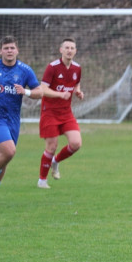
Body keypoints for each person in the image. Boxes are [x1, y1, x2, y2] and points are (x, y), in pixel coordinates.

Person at [0, 36, 53, 207]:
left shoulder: (25, 70)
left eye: (12, 48)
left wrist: (25, 92)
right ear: (0, 51)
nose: (9, 51)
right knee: (9, 151)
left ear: (17, 50)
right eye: (6, 48)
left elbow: (39, 92)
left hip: (13, 120)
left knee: (4, 158)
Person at [37, 38, 84, 188]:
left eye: (72, 48)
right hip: (49, 112)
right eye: (67, 47)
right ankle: (42, 181)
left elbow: (76, 83)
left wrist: (78, 91)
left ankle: (55, 161)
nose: (70, 50)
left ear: (75, 51)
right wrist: (59, 94)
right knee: (52, 146)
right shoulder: (52, 67)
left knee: (76, 143)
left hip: (66, 113)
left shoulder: (77, 68)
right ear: (61, 50)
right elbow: (42, 89)